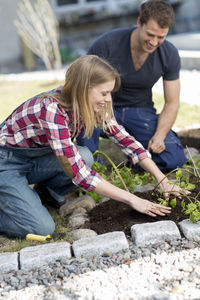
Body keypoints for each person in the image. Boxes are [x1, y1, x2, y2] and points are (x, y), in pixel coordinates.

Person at [0, 55, 184, 239]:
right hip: (6, 162)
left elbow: (125, 141)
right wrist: (132, 199)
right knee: (42, 228)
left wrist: (161, 178)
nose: (108, 99)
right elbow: (79, 173)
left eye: (110, 92)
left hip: (33, 159)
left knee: (85, 156)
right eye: (104, 93)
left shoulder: (94, 104)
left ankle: (46, 193)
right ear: (83, 88)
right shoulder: (51, 109)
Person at [77, 0, 187, 172]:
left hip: (139, 111)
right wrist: (98, 112)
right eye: (150, 34)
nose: (154, 42)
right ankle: (93, 171)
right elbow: (82, 87)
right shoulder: (107, 44)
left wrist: (159, 136)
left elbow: (172, 102)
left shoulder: (169, 54)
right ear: (139, 23)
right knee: (88, 161)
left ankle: (130, 159)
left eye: (161, 37)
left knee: (174, 159)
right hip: (102, 107)